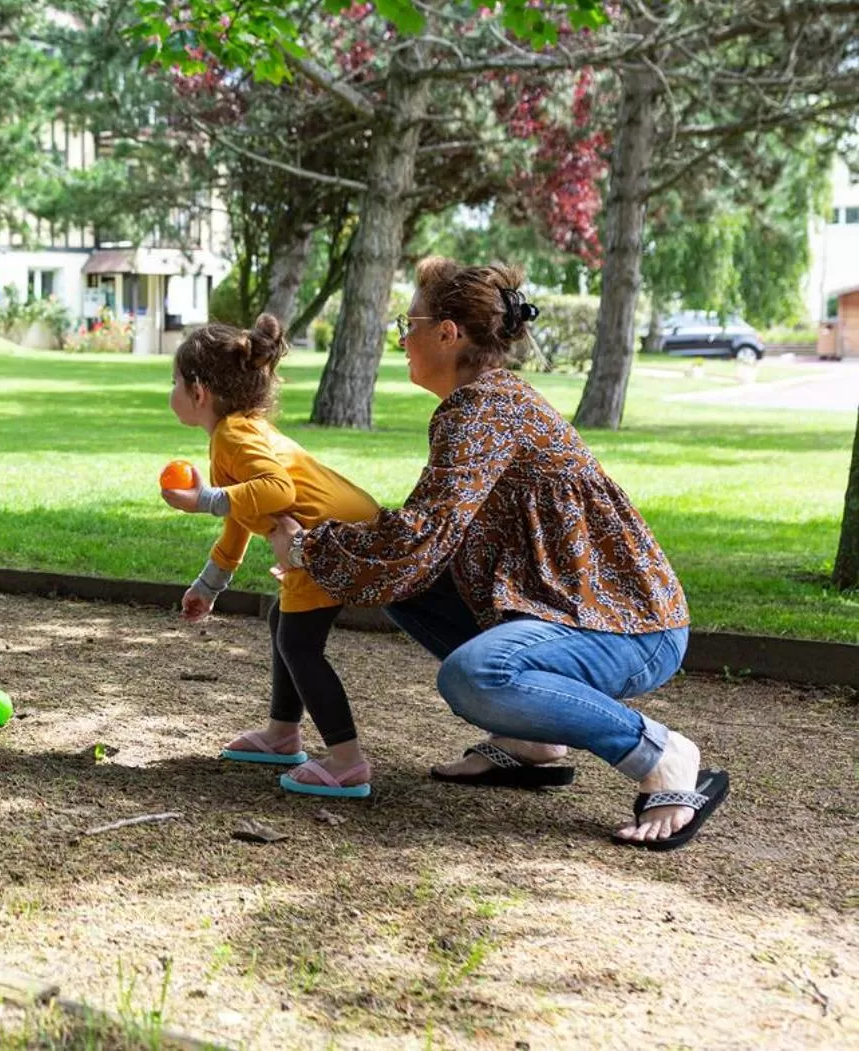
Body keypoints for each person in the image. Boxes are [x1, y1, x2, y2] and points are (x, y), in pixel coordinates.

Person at [267, 258, 728, 849]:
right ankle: (530, 741)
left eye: (409, 323)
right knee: (403, 582)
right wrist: (334, 550)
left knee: (475, 675)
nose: (402, 338)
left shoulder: (482, 408)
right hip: (573, 611)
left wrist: (309, 546)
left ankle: (661, 753)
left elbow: (419, 536)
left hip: (628, 628)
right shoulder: (482, 402)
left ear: (447, 332)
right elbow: (419, 548)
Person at [164, 314, 381, 797]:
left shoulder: (235, 436)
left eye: (174, 381)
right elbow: (244, 513)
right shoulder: (240, 431)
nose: (172, 390)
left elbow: (275, 490)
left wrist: (203, 500)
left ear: (199, 392)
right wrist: (209, 586)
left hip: (328, 540)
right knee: (285, 623)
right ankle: (282, 734)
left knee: (300, 645)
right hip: (337, 531)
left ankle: (347, 761)